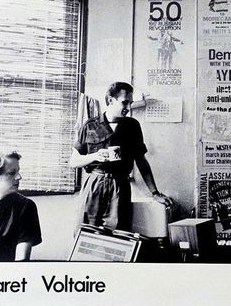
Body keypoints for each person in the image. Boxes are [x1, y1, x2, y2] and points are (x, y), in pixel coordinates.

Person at [70, 82, 173, 233]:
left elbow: (141, 162)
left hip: (121, 185)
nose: (128, 108)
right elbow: (74, 161)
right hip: (94, 184)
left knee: (120, 233)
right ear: (110, 100)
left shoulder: (132, 126)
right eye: (125, 102)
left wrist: (155, 193)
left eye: (130, 103)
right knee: (86, 231)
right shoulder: (90, 126)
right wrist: (94, 156)